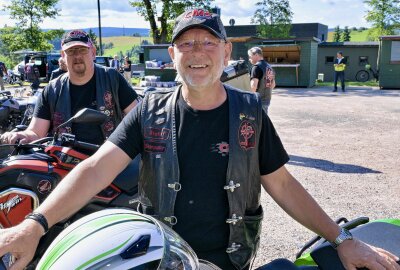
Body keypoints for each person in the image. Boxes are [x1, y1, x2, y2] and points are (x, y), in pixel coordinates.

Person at [0, 10, 398, 270]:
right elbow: (94, 169)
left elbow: (282, 184)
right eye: (187, 43)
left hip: (230, 259)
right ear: (172, 54)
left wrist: (342, 239)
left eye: (208, 42)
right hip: (162, 256)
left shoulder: (250, 112)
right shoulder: (148, 110)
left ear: (226, 51)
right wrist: (34, 225)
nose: (198, 52)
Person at [0, 29, 138, 147]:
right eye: (71, 51)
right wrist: (21, 135)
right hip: (64, 161)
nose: (77, 56)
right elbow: (36, 132)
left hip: (109, 158)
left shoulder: (112, 78)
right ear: (63, 56)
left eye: (83, 50)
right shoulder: (51, 90)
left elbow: (138, 118)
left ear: (93, 52)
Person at [248, 47, 276, 114]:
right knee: (264, 120)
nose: (249, 59)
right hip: (267, 100)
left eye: (250, 56)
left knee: (256, 122)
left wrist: (249, 100)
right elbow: (273, 84)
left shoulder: (256, 67)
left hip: (257, 101)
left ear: (256, 55)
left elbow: (253, 86)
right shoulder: (269, 67)